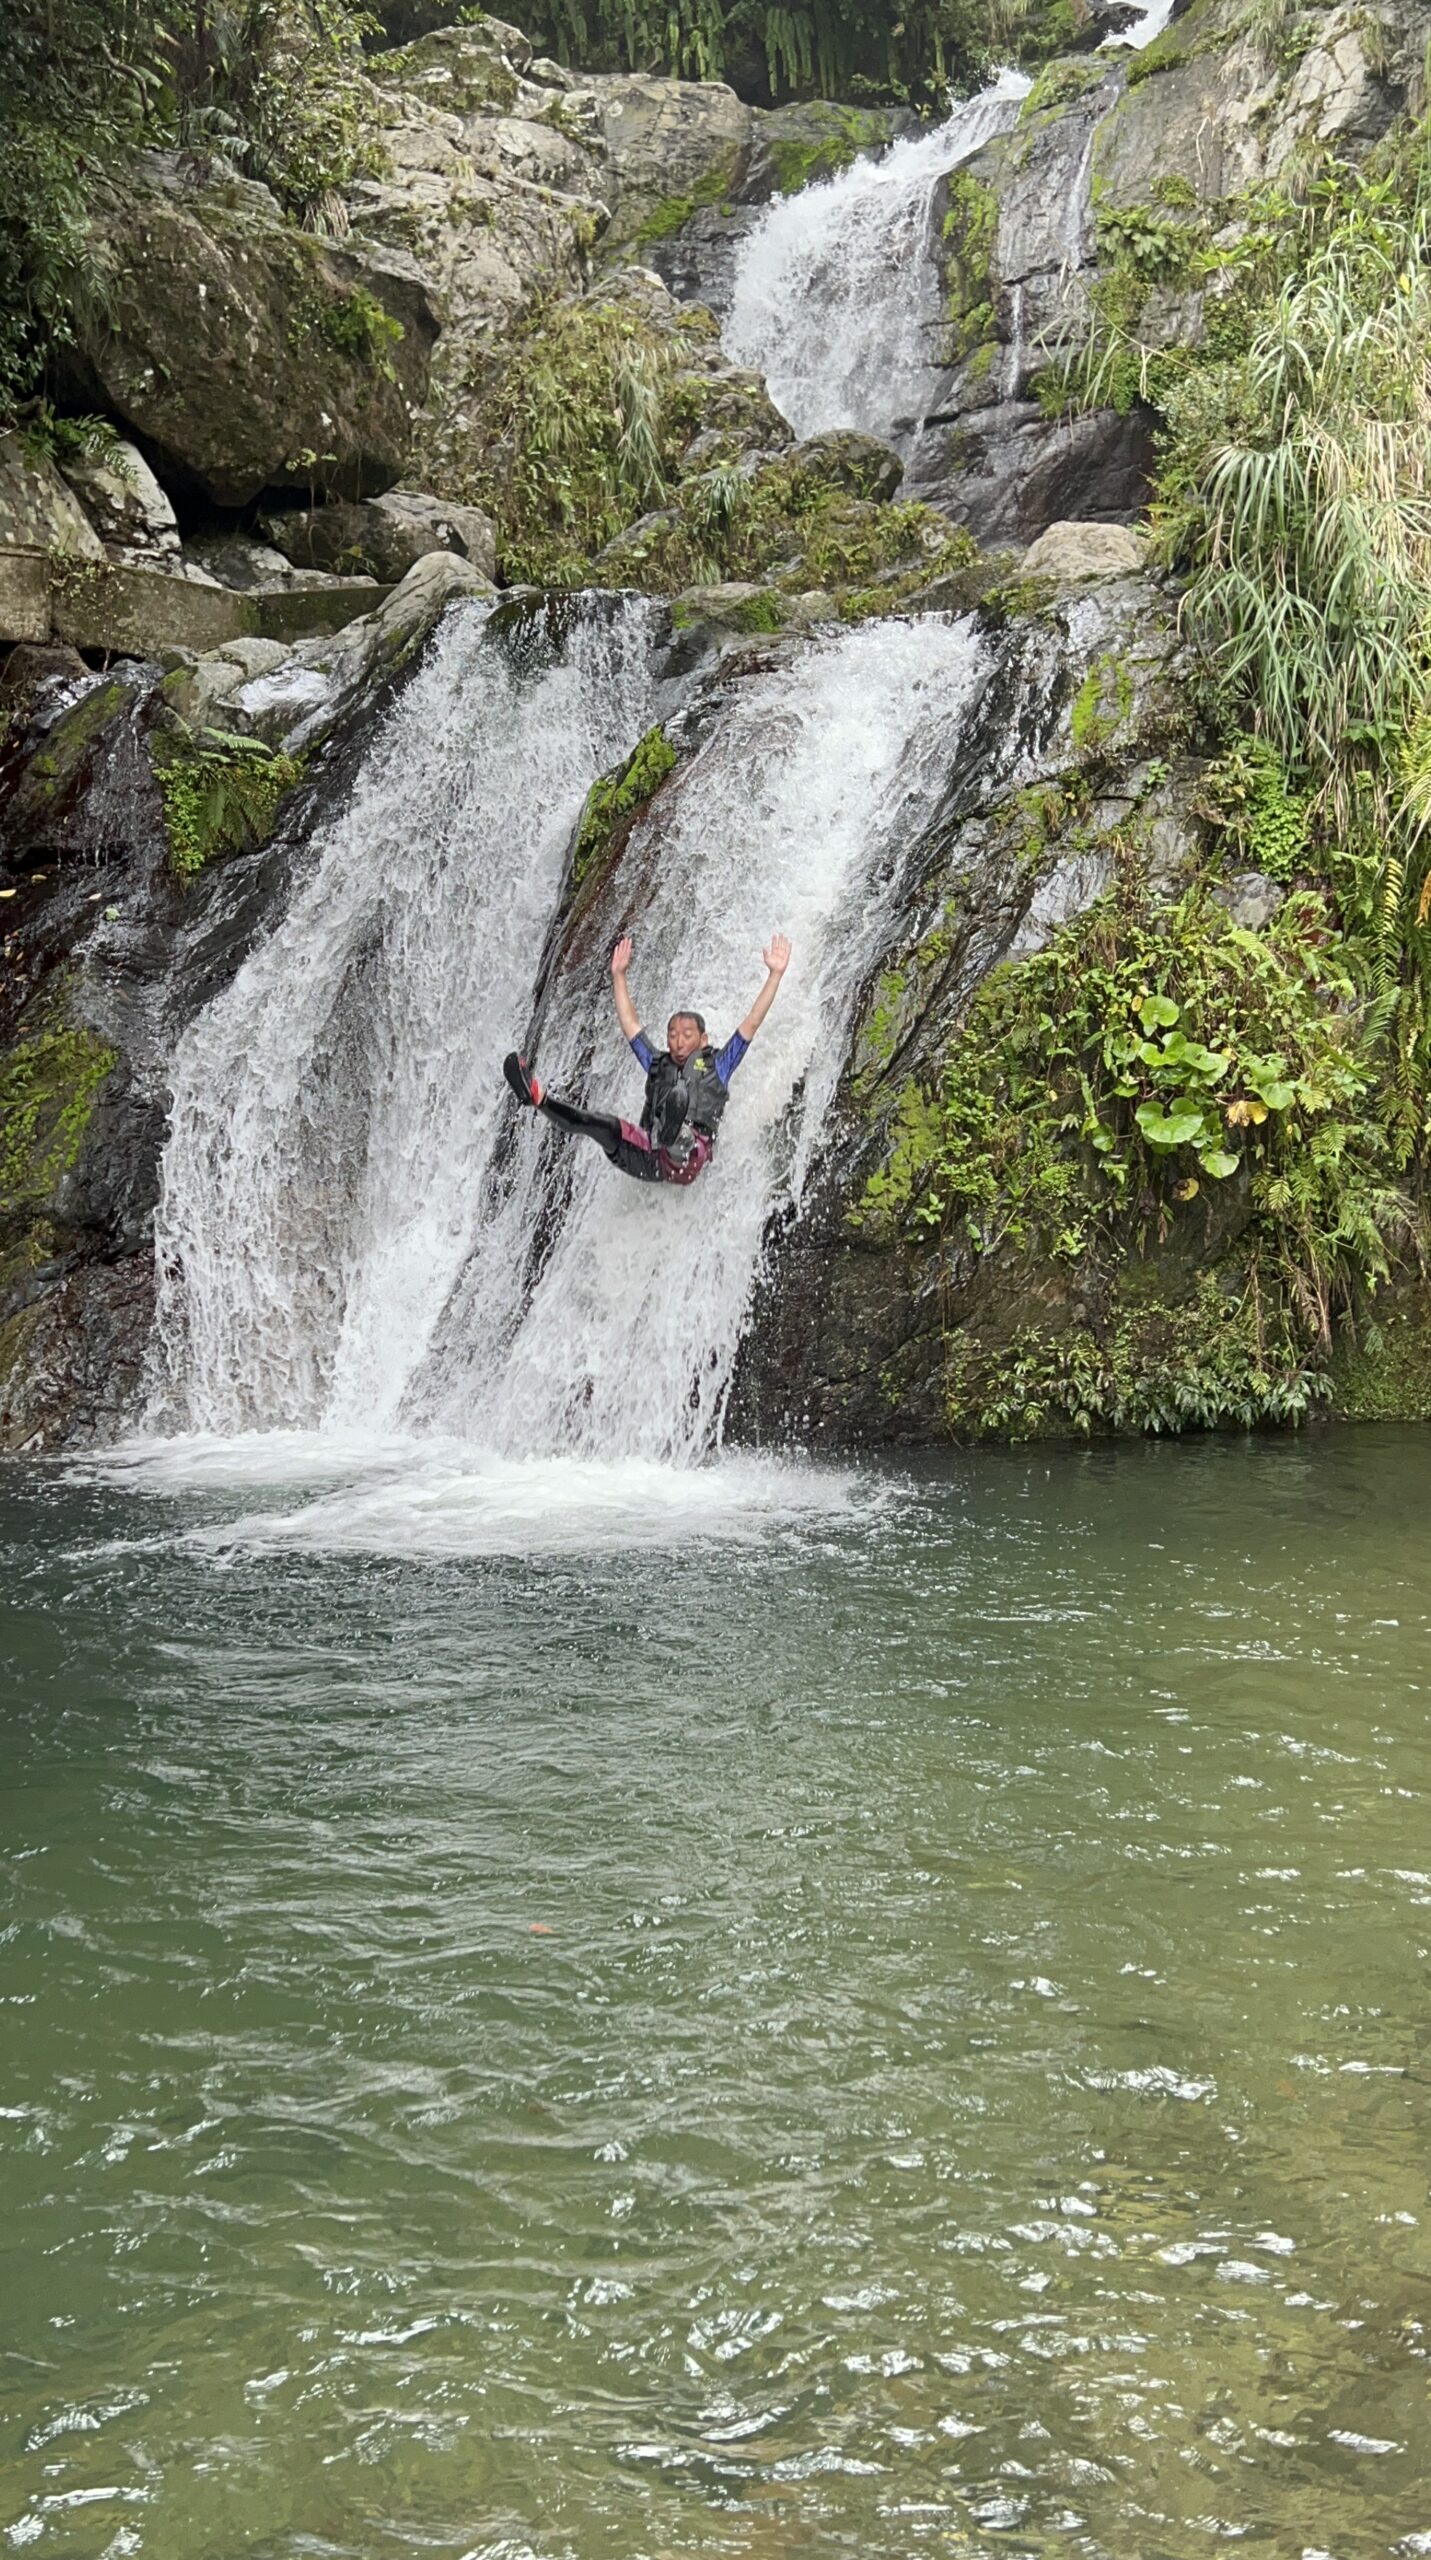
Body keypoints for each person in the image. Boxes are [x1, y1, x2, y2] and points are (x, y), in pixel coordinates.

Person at [503, 932, 791, 1187]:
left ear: (703, 1040)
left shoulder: (719, 1064)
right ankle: (538, 1098)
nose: (678, 1041)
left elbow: (751, 1023)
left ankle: (675, 1134)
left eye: (687, 1035)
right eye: (673, 1034)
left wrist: (775, 975)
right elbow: (631, 1026)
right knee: (598, 1124)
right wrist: (619, 976)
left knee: (681, 1128)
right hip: (648, 1156)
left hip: (689, 1158)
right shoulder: (658, 1064)